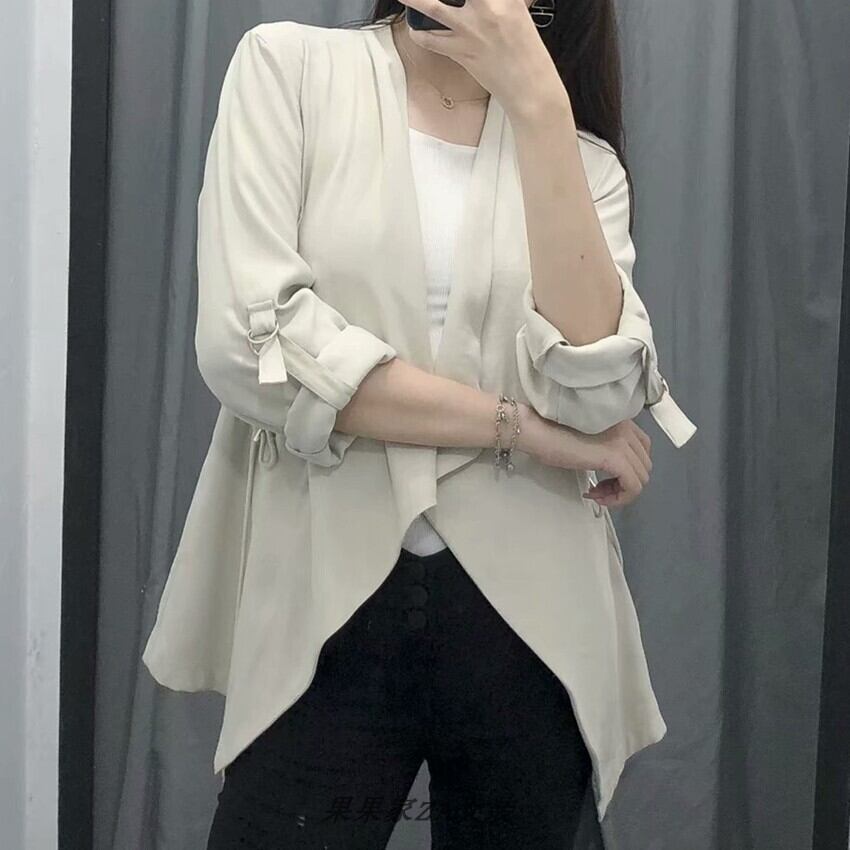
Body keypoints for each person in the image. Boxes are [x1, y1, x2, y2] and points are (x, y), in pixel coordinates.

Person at [142, 1, 698, 847]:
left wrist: (540, 105)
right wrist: (526, 431)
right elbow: (253, 349)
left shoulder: (581, 160)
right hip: (325, 592)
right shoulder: (291, 71)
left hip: (533, 617)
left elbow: (595, 392)